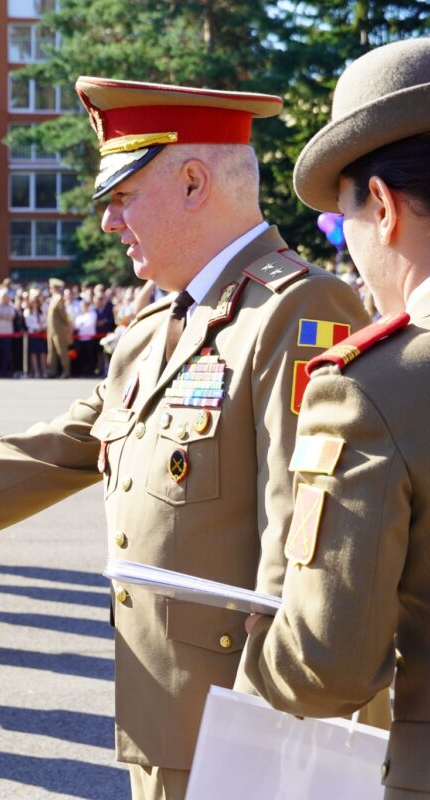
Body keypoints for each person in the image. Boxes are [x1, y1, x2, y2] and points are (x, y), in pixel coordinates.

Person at [0, 75, 370, 800]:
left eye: (123, 197)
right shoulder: (157, 328)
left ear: (194, 183)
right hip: (164, 707)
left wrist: (268, 717)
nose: (108, 223)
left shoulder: (298, 309)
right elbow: (57, 448)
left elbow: (304, 535)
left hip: (240, 715)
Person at [243, 39, 430, 799]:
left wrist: (254, 652)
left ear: (380, 207)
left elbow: (325, 668)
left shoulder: (375, 387)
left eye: (341, 219)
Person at [45, 277, 72, 378]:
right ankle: (51, 371)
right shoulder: (53, 298)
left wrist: (66, 325)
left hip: (59, 329)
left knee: (62, 351)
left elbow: (62, 315)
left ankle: (66, 371)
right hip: (52, 329)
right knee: (51, 351)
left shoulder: (59, 298)